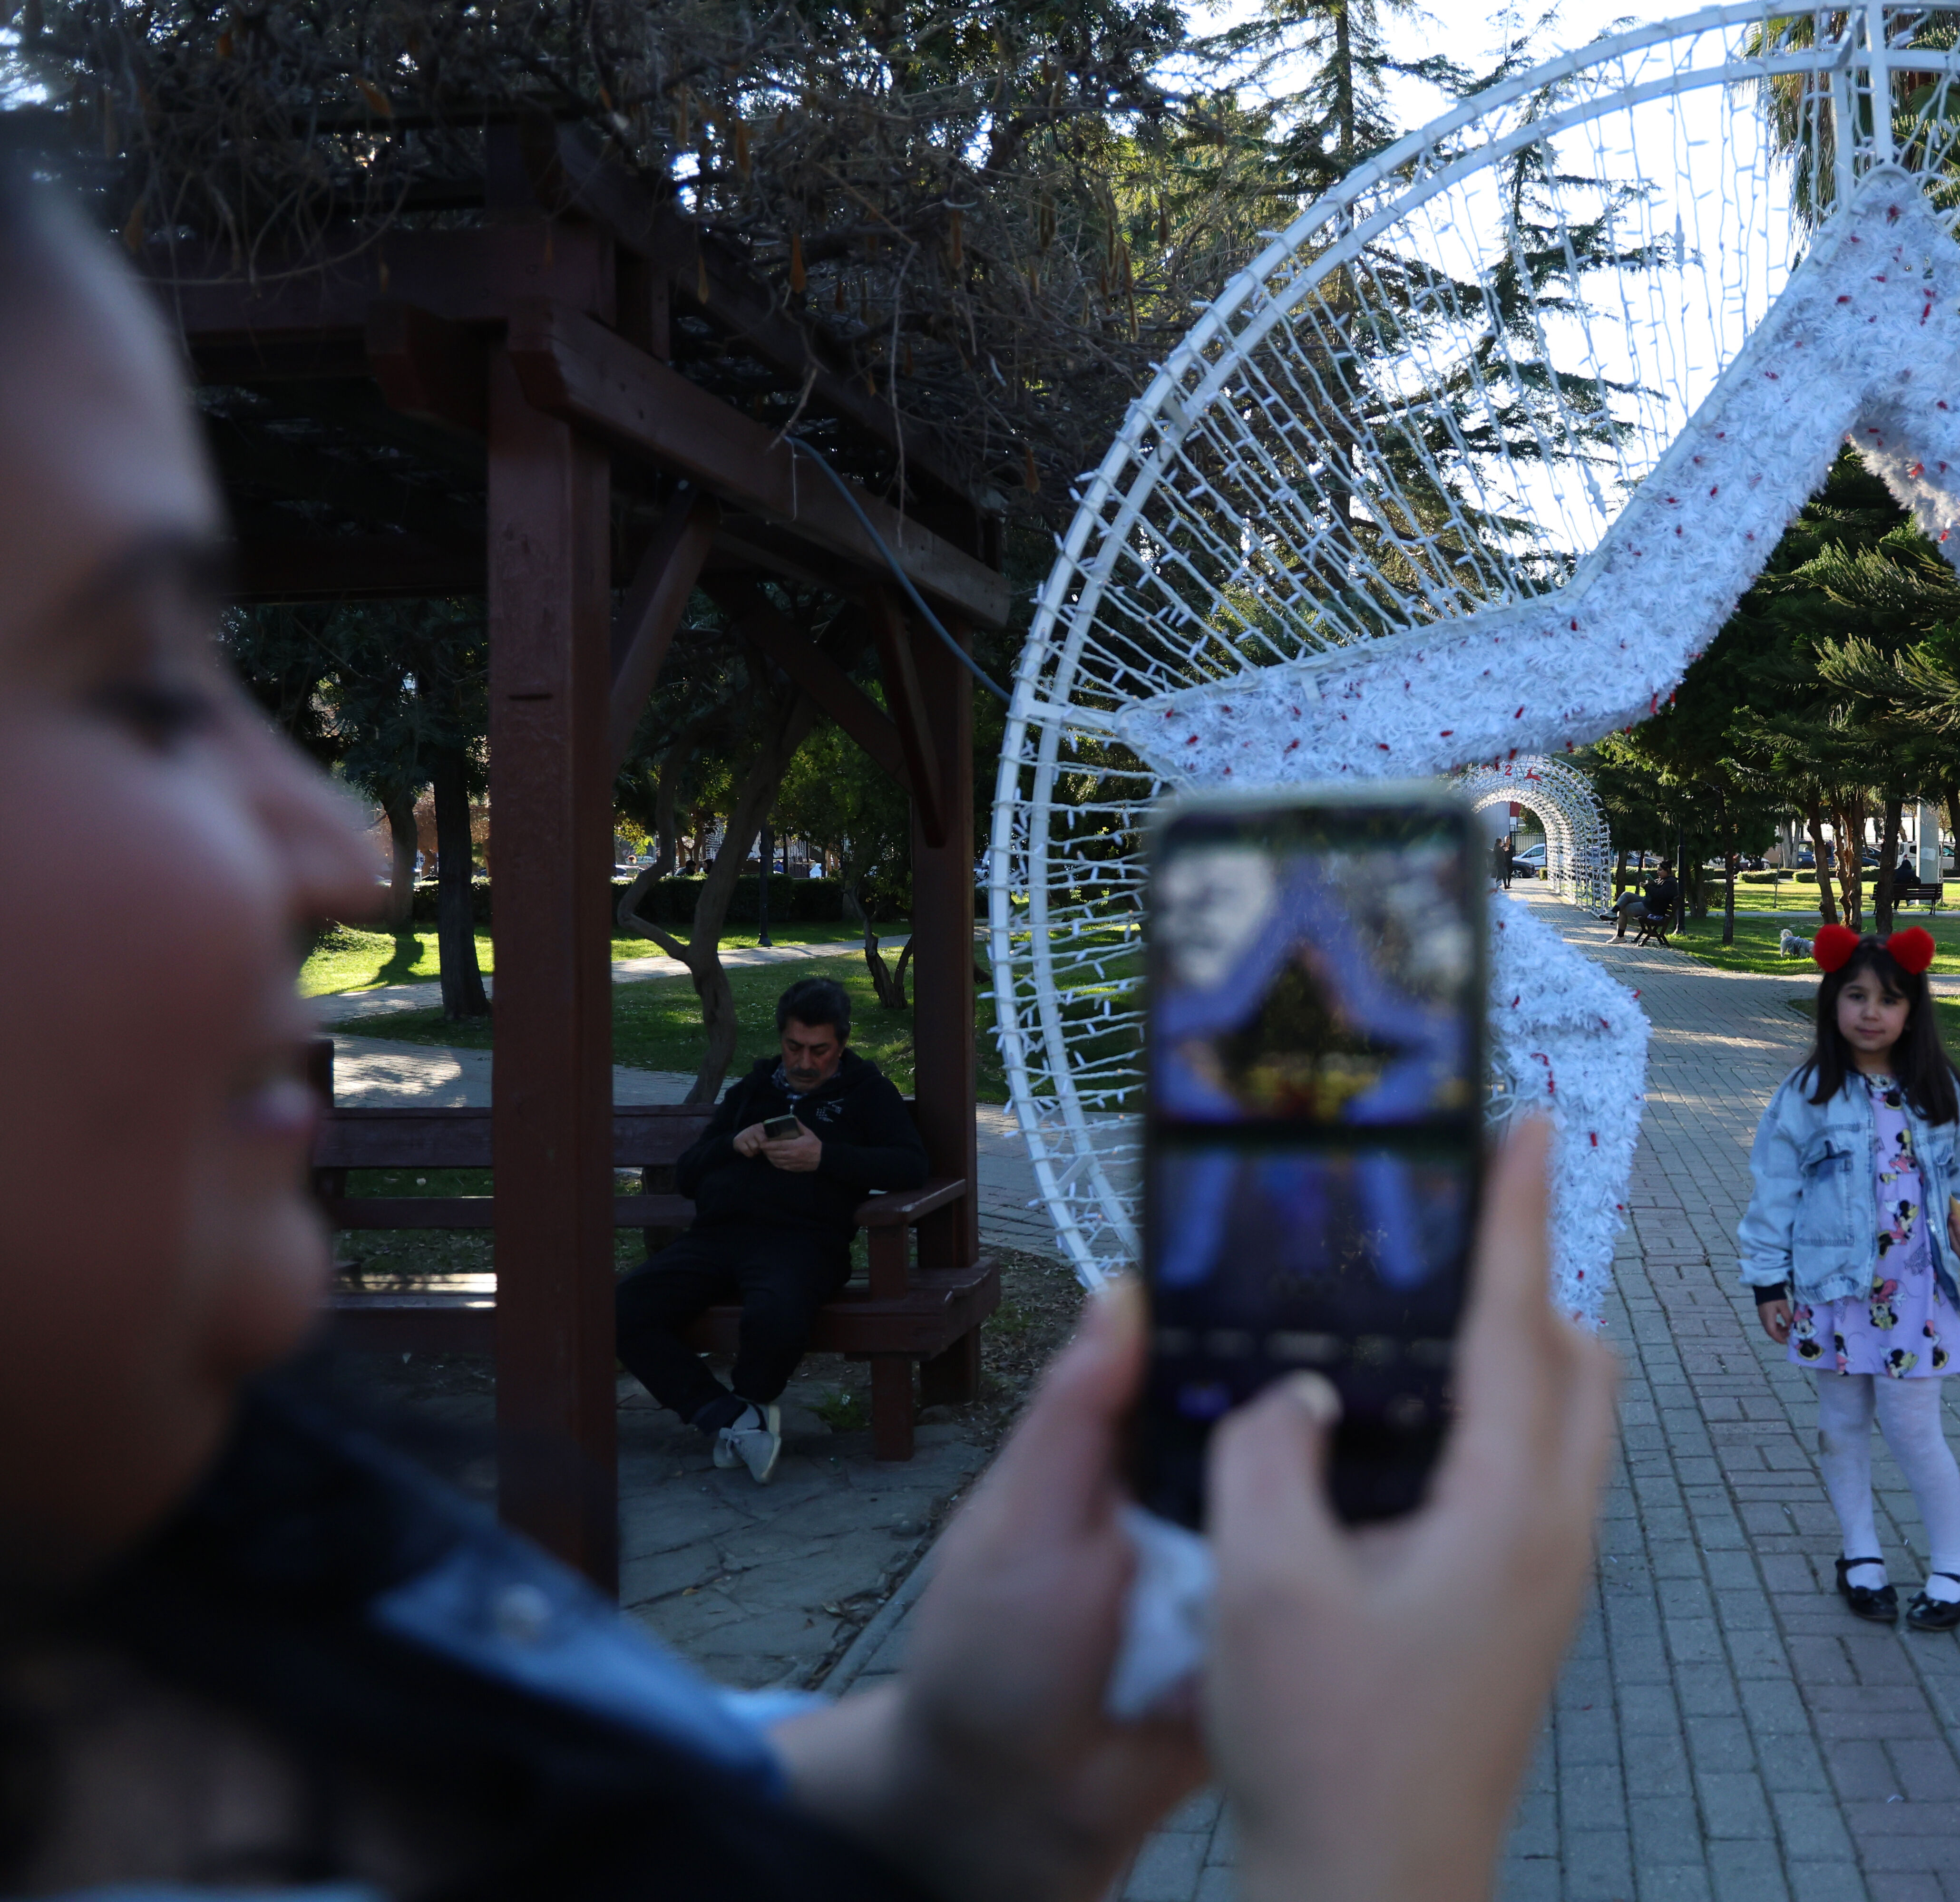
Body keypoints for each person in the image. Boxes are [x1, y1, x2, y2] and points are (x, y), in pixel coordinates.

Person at [0, 171, 1618, 1898]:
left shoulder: (263, 1548)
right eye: (146, 685)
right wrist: (1371, 1843)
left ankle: (745, 1413)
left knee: (755, 1298)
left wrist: (972, 1781)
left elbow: (585, 1822)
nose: (328, 844)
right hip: (737, 1248)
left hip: (791, 1272)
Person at [1735, 925, 1960, 1632]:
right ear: (1832, 1004)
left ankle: (1954, 1565)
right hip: (1831, 1291)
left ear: (1912, 1010)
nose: (1870, 1012)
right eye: (1855, 996)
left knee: (1915, 1430)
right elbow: (1774, 1193)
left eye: (1888, 999)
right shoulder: (1807, 1094)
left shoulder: (1940, 1093)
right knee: (1842, 1425)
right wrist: (1769, 1284)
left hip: (1916, 1297)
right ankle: (1861, 1555)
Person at [614, 976, 926, 1482]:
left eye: (819, 1050)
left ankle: (749, 1403)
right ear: (781, 1039)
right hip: (717, 1238)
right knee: (623, 1308)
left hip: (802, 1242)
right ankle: (729, 1418)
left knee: (776, 1318)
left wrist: (824, 1156)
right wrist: (732, 1143)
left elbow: (909, 1166)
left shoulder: (868, 1094)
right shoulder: (751, 1090)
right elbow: (689, 1174)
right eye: (794, 1047)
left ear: (841, 1044)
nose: (804, 1063)